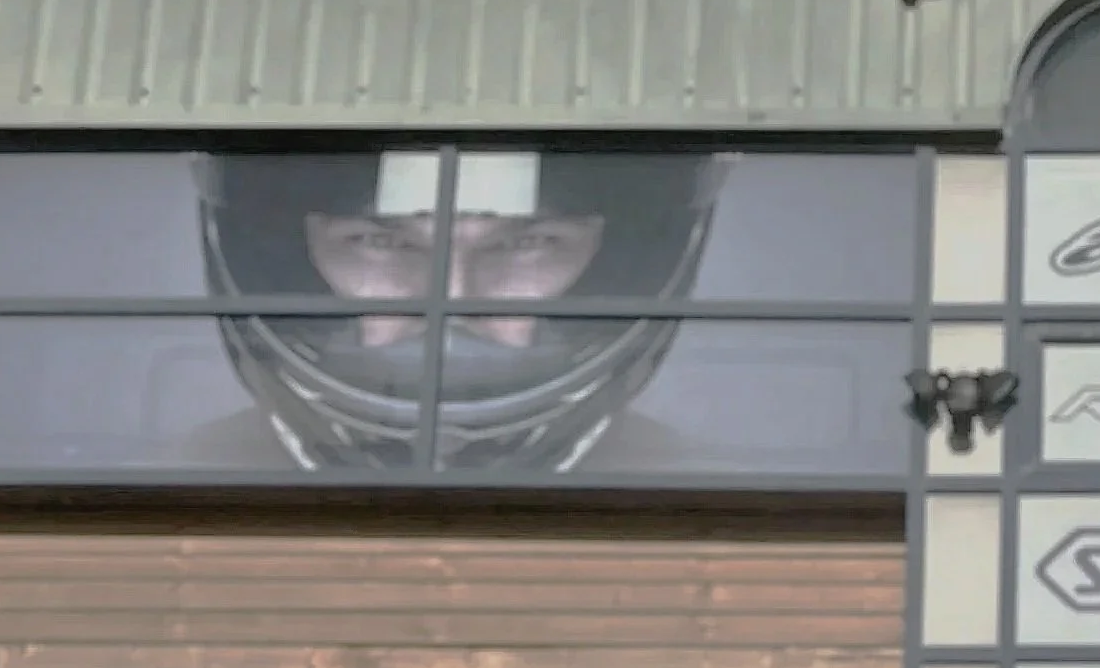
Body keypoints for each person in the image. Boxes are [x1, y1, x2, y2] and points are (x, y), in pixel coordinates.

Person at [194, 147, 722, 470]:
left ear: (614, 260)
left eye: (526, 245)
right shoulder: (156, 496)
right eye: (380, 243)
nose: (451, 299)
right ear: (296, 257)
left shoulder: (724, 510)